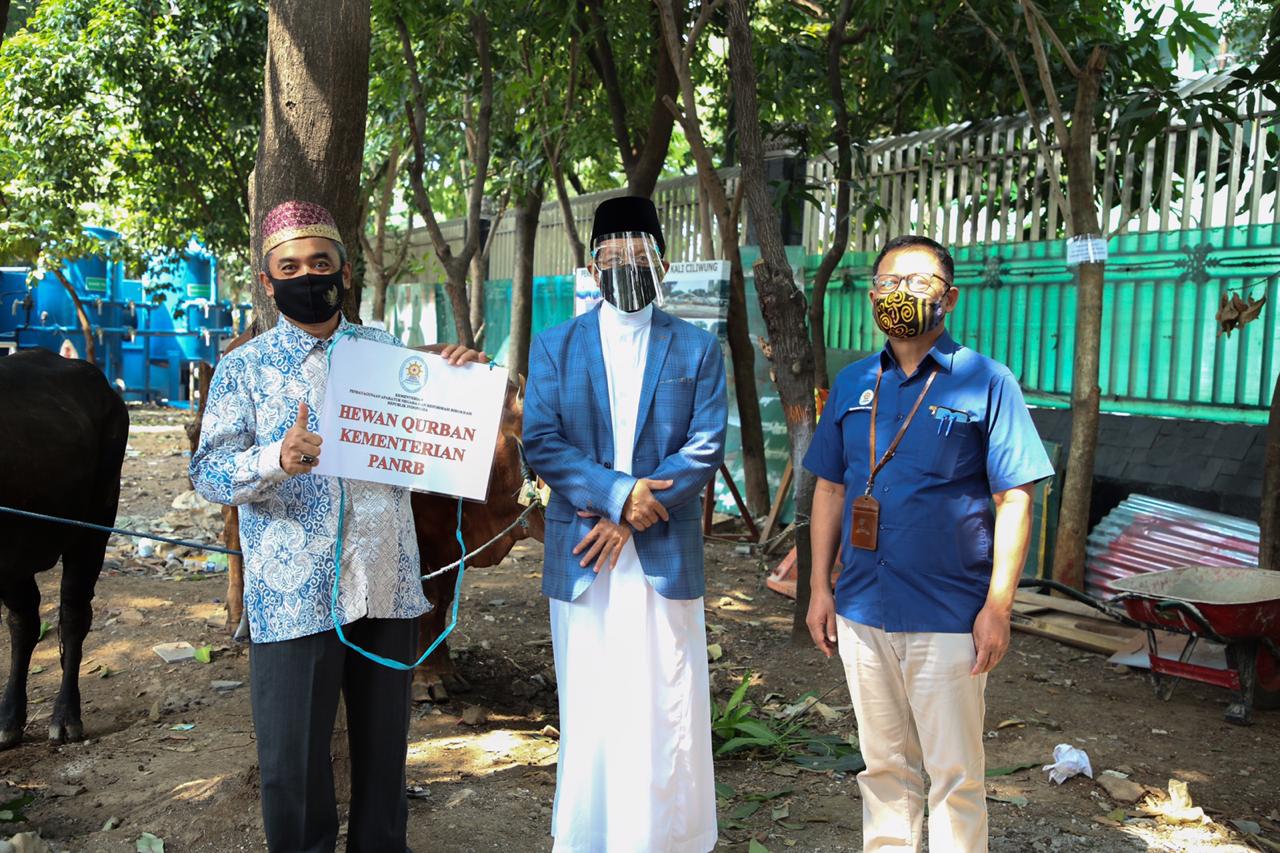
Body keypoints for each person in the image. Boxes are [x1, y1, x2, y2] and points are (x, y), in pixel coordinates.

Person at [190, 200, 483, 853]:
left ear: (343, 272)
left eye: (320, 262)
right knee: (291, 769)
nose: (307, 275)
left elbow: (433, 451)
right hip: (292, 594)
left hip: (385, 585)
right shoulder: (244, 366)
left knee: (385, 764)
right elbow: (207, 473)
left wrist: (459, 392)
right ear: (267, 282)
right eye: (289, 266)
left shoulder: (389, 356)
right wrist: (276, 459)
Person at [803, 234, 1053, 853]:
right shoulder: (854, 381)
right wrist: (817, 588)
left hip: (950, 614)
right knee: (883, 768)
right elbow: (830, 490)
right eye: (888, 282)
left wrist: (998, 607)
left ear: (950, 298)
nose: (900, 294)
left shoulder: (986, 382)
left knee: (955, 777)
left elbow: (1014, 499)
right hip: (862, 607)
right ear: (871, 294)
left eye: (917, 283)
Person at [523, 195, 727, 852]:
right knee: (593, 702)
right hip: (584, 554)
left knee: (667, 699)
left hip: (662, 552)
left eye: (641, 258)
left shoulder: (697, 348)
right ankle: (590, 838)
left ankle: (666, 838)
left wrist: (629, 519)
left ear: (663, 263)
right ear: (591, 265)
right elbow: (543, 442)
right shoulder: (556, 345)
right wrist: (617, 498)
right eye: (615, 258)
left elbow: (704, 446)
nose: (629, 269)